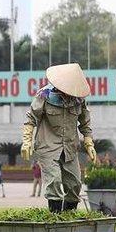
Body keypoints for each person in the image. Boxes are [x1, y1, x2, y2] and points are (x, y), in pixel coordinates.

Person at [21, 63, 97, 213]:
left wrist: (89, 142)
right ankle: (55, 219)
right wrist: (26, 140)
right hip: (48, 146)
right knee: (54, 181)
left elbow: (85, 121)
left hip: (69, 148)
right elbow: (31, 118)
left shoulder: (78, 99)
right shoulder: (44, 95)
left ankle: (69, 218)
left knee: (75, 183)